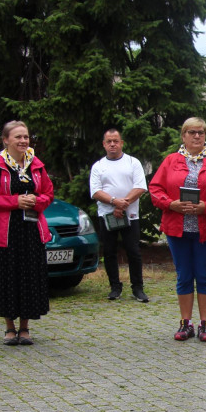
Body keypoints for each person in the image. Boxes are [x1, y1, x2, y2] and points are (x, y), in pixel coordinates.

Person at [149, 117, 206, 342]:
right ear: (184, 135)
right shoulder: (170, 161)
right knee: (184, 276)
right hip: (178, 228)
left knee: (204, 276)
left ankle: (205, 324)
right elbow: (155, 189)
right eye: (192, 132)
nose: (197, 136)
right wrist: (171, 204)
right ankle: (185, 323)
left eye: (201, 132)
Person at [0, 121, 54, 345]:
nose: (23, 141)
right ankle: (9, 328)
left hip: (31, 231)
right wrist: (15, 201)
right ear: (6, 140)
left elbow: (48, 194)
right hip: (5, 233)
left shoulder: (37, 167)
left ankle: (25, 328)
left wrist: (36, 200)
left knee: (29, 278)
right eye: (18, 137)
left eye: (26, 137)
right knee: (7, 278)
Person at [89, 128, 148, 302]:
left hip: (130, 215)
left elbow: (140, 187)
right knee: (109, 252)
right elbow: (96, 192)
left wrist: (123, 204)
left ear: (121, 143)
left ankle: (138, 288)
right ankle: (115, 287)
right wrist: (115, 202)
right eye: (109, 141)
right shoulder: (98, 166)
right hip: (107, 215)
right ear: (104, 144)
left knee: (133, 251)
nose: (113, 144)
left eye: (116, 141)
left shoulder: (133, 162)